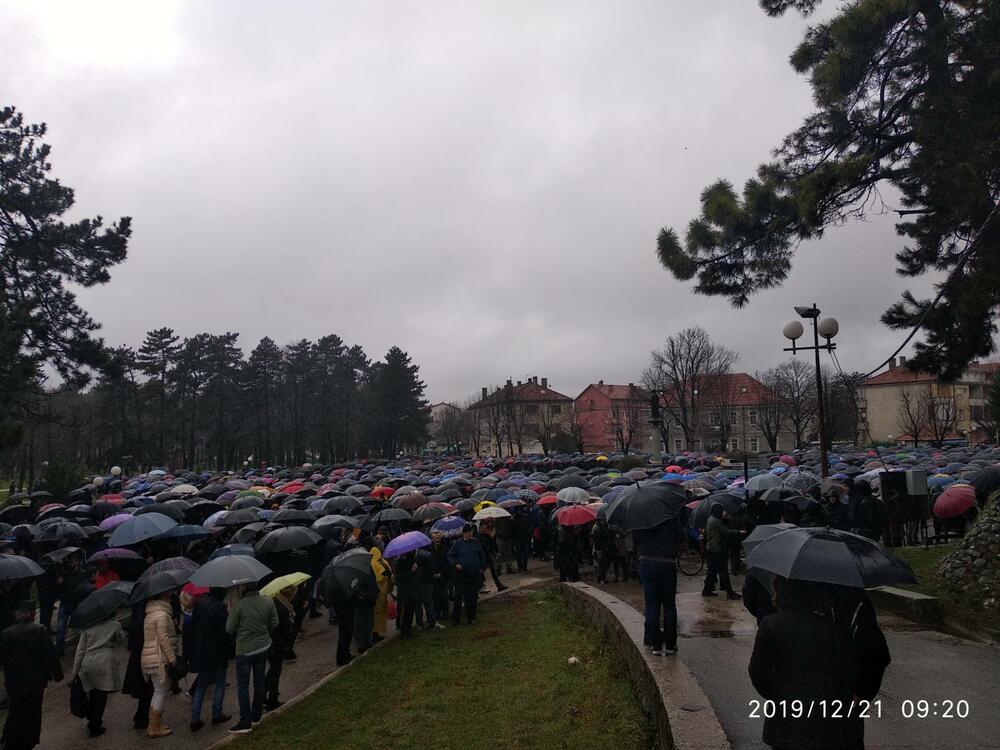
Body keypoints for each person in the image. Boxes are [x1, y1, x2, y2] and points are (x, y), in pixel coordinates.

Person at [749, 578, 855, 750]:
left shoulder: (770, 625)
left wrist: (775, 693)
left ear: (781, 593)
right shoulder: (827, 626)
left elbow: (757, 671)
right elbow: (843, 671)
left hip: (784, 711)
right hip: (821, 712)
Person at [0, 600, 62, 750]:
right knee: (33, 711)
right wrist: (57, 673)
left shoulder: (6, 633)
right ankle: (28, 741)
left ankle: (9, 740)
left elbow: (2, 658)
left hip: (14, 682)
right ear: (33, 614)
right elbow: (50, 655)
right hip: (36, 681)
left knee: (16, 710)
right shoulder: (40, 630)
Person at [226, 583, 278, 734]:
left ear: (243, 588)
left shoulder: (239, 606)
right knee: (259, 681)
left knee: (243, 685)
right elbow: (274, 623)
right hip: (263, 647)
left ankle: (245, 720)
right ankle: (256, 715)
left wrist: (230, 612)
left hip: (245, 650)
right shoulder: (268, 601)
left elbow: (229, 629)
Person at [634, 517, 687, 656]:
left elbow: (636, 541)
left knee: (652, 606)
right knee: (669, 605)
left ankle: (655, 644)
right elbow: (682, 535)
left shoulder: (641, 517)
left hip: (646, 562)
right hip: (667, 562)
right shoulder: (670, 516)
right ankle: (670, 644)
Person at [70, 610, 126, 738]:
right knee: (102, 693)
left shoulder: (87, 627)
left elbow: (80, 650)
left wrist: (75, 671)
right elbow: (120, 641)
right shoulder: (115, 625)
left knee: (92, 691)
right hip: (105, 662)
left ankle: (91, 716)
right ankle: (96, 722)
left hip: (88, 661)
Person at [188, 587, 231, 732]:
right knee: (220, 683)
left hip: (201, 650)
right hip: (217, 651)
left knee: (202, 685)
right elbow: (225, 632)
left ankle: (195, 718)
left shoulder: (199, 604)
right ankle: (217, 713)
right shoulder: (221, 608)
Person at [140, 590, 179, 738]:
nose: (170, 599)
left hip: (149, 657)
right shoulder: (162, 615)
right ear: (162, 597)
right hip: (159, 659)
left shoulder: (150, 614)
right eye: (168, 596)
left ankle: (153, 724)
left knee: (157, 691)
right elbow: (163, 638)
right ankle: (154, 728)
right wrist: (172, 658)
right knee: (161, 692)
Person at [265, 583, 296, 711]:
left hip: (270, 642)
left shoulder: (273, 603)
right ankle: (273, 699)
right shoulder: (283, 609)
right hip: (277, 643)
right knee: (275, 671)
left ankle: (263, 695)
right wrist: (291, 620)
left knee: (272, 670)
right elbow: (285, 627)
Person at [703, 503, 742, 600]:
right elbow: (727, 532)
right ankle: (730, 592)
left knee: (712, 570)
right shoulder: (716, 521)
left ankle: (706, 590)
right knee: (723, 571)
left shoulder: (711, 518)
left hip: (710, 548)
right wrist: (739, 532)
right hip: (717, 549)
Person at [448, 524, 484, 625]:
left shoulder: (475, 542)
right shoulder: (458, 544)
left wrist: (481, 566)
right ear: (464, 533)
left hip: (473, 573)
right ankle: (456, 619)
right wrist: (455, 564)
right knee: (458, 596)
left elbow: (481, 554)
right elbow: (450, 556)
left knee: (472, 596)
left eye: (471, 532)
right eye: (468, 532)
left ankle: (471, 617)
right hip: (462, 574)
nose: (470, 534)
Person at [370, 546, 394, 642]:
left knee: (374, 613)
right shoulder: (383, 563)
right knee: (379, 613)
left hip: (374, 592)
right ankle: (376, 632)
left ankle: (373, 632)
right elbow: (389, 576)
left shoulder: (369, 563)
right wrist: (390, 590)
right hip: (382, 592)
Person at [428, 530, 451, 622]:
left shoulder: (446, 548)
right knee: (435, 596)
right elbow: (429, 563)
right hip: (433, 576)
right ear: (432, 539)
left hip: (443, 576)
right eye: (434, 538)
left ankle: (445, 613)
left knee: (444, 595)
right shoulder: (429, 550)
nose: (437, 540)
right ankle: (437, 613)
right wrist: (433, 573)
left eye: (438, 538)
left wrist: (442, 573)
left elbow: (447, 563)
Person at [512, 506, 532, 573]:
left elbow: (530, 526)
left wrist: (528, 533)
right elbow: (512, 529)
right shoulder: (514, 518)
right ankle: (520, 567)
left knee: (524, 553)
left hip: (525, 537)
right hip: (518, 538)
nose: (519, 512)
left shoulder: (526, 517)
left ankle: (524, 567)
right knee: (519, 554)